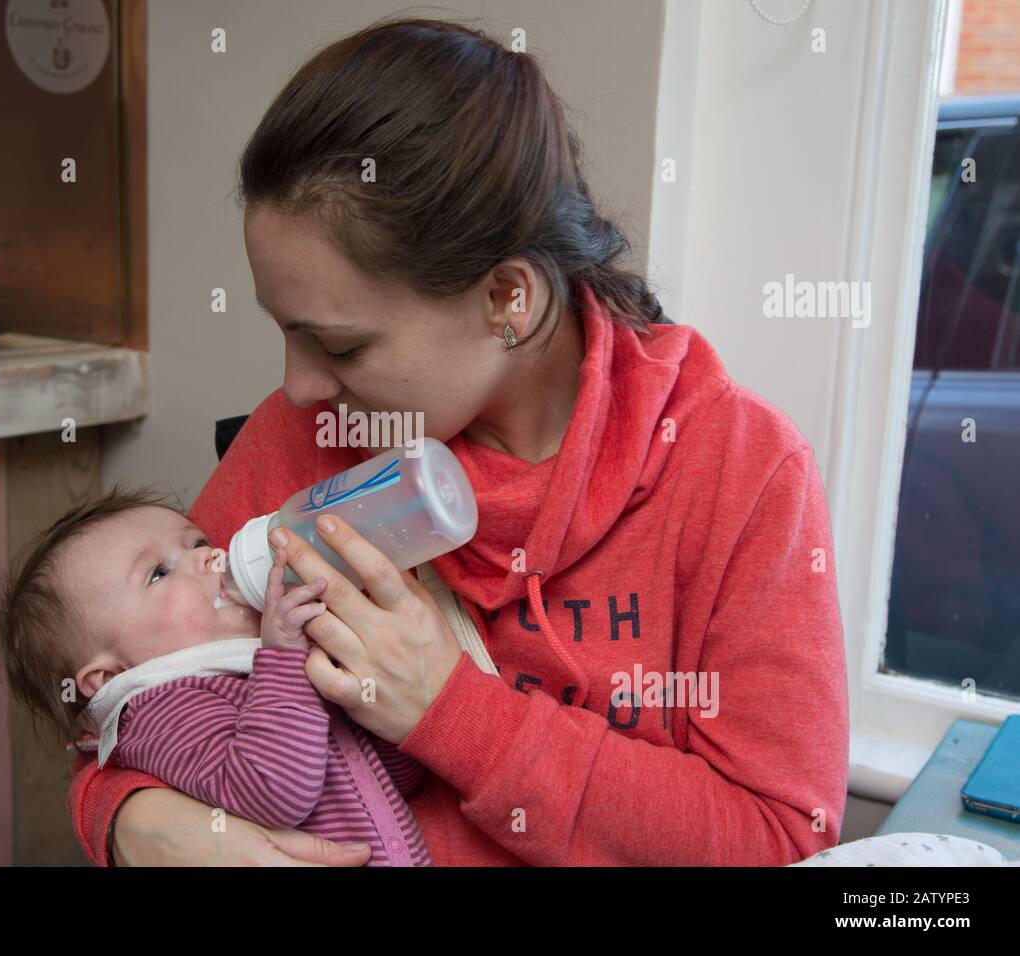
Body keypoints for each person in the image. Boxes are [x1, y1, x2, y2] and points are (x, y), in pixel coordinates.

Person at [68, 15, 849, 866]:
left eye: (339, 345)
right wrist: (131, 822)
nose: (295, 388)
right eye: (285, 332)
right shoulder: (306, 442)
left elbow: (779, 840)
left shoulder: (742, 475)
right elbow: (136, 696)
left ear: (506, 298)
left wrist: (450, 710)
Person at [0, 493, 431, 866]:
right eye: (159, 572)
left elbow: (384, 779)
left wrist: (372, 701)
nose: (210, 556)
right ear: (110, 675)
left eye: (198, 543)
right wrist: (283, 660)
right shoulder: (159, 711)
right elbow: (274, 791)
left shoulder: (253, 674)